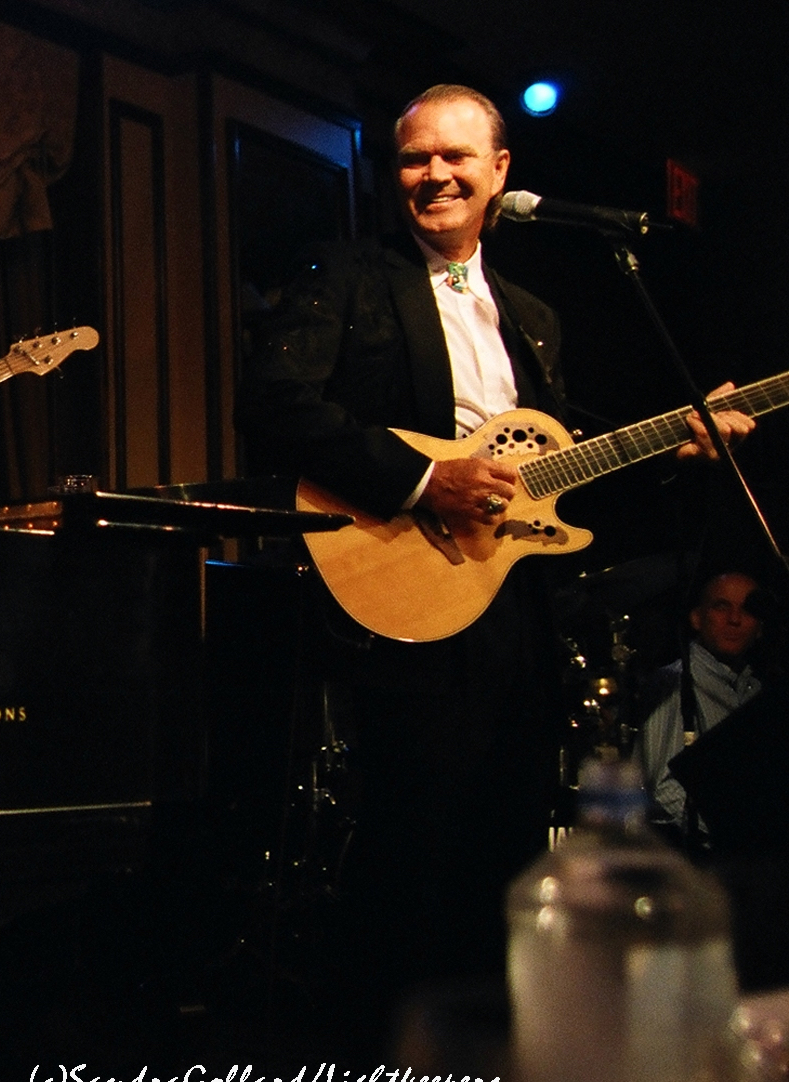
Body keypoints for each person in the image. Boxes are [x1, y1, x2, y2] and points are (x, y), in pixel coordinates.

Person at [237, 84, 752, 1024]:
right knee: (410, 852)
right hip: (406, 593)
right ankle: (380, 1075)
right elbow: (272, 400)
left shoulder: (535, 315)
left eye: (455, 157)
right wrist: (421, 480)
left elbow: (559, 468)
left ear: (501, 172)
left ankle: (484, 1072)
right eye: (412, 158)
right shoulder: (351, 273)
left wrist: (676, 444)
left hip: (514, 610)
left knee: (503, 849)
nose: (432, 174)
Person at [638, 570, 767, 830]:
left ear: (761, 626)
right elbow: (662, 787)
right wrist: (731, 835)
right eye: (722, 607)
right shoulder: (674, 682)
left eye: (748, 610)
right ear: (697, 618)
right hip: (698, 860)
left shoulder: (756, 689)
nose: (735, 619)